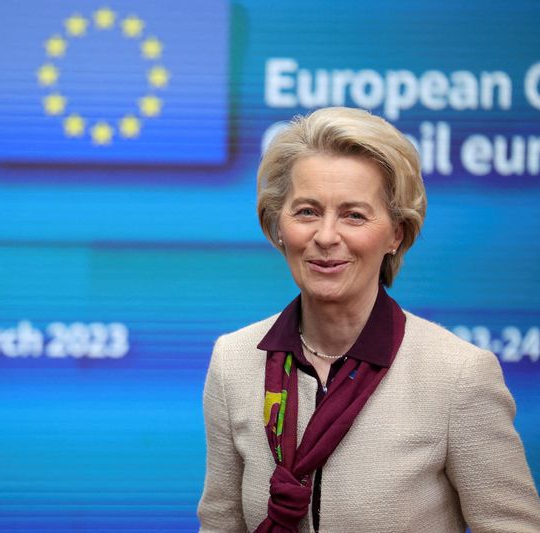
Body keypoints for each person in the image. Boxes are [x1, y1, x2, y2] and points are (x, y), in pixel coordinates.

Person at [197, 107, 540, 532]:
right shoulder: (233, 362)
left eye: (353, 215)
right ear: (278, 224)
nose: (326, 236)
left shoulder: (458, 376)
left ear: (396, 233)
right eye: (306, 211)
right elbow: (220, 523)